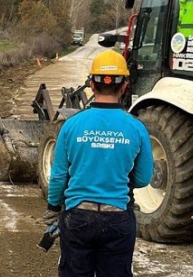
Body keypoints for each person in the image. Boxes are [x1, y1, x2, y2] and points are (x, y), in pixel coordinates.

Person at [42, 49, 154, 277]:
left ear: (92, 85)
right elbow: (143, 178)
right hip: (118, 219)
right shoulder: (136, 128)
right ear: (124, 86)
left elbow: (58, 177)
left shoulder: (71, 126)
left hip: (77, 218)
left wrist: (54, 207)